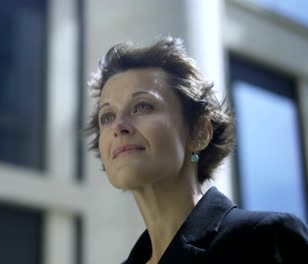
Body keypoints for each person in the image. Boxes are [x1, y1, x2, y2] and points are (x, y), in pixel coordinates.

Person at [85, 36, 308, 264]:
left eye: (142, 106)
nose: (118, 126)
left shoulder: (264, 239)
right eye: (107, 116)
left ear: (200, 132)